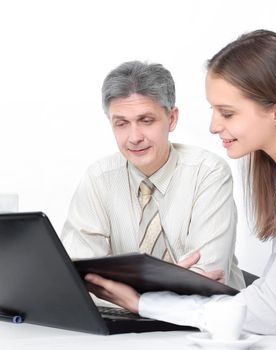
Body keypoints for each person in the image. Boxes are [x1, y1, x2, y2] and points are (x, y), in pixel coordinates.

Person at [83, 30, 276, 349]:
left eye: (227, 112)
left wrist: (146, 302)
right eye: (214, 111)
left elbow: (274, 310)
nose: (214, 126)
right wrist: (200, 290)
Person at [61, 60, 245, 290]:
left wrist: (121, 289)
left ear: (172, 118)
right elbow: (79, 274)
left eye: (146, 120)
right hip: (124, 319)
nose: (134, 137)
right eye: (121, 124)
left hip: (207, 319)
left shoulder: (208, 173)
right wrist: (178, 281)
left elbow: (206, 278)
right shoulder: (99, 178)